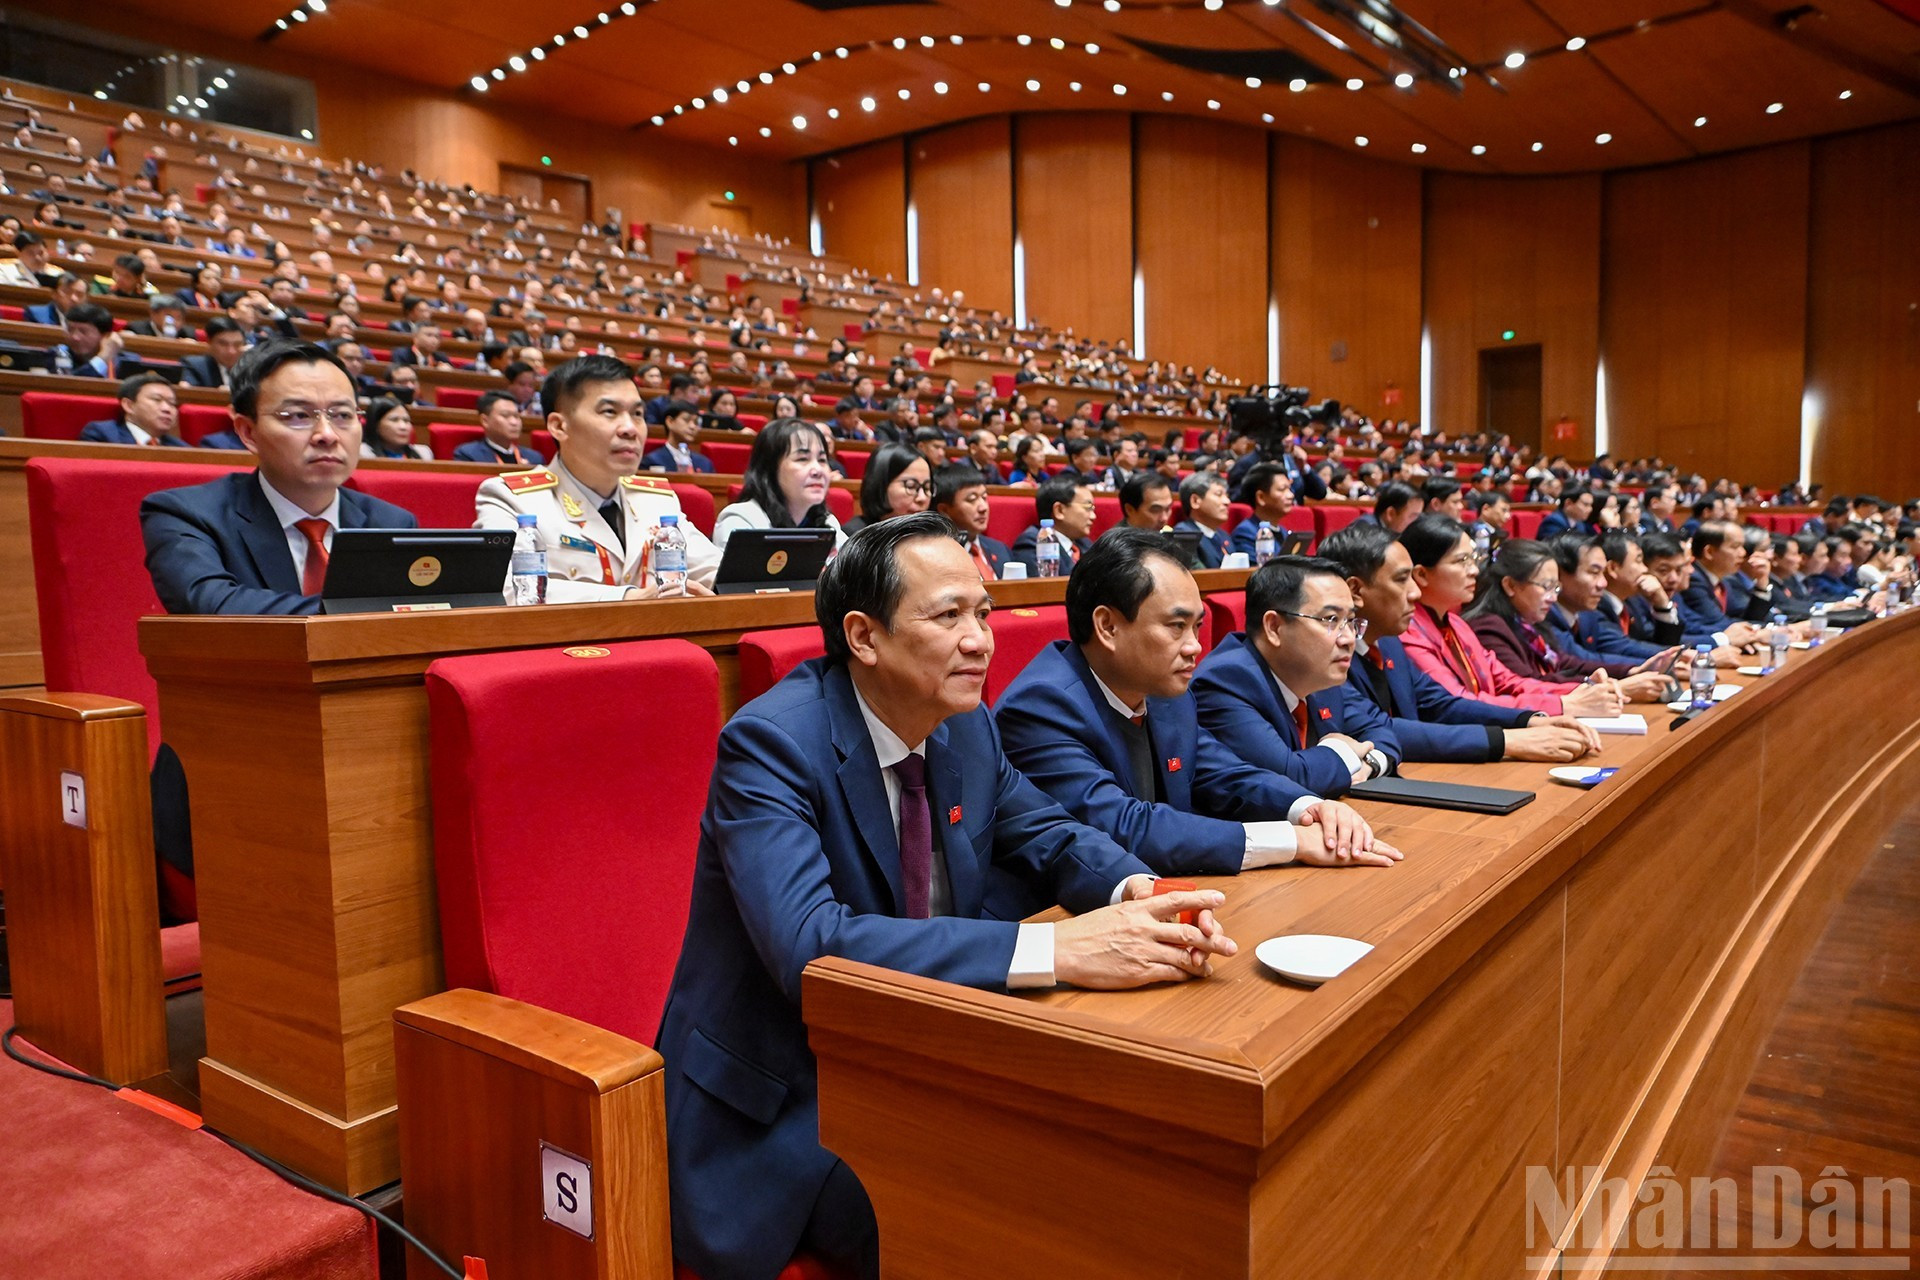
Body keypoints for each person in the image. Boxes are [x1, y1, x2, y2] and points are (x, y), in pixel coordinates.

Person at [657, 513, 1236, 1280]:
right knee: (1008, 1218)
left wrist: (1145, 890)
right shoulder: (770, 746)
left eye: (985, 613)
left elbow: (1052, 832)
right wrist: (1059, 949)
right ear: (863, 637)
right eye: (949, 616)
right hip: (793, 1103)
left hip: (927, 1049)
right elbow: (810, 949)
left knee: (1127, 1166)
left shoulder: (967, 728)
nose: (981, 641)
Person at [993, 529, 1395, 916]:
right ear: (1108, 626)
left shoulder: (1167, 694)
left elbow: (1225, 773)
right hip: (1069, 914)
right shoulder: (1041, 705)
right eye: (1176, 626)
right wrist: (1292, 841)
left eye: (1197, 626)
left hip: (1167, 892)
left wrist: (1309, 809)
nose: (1195, 646)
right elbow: (1122, 825)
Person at [139, 340, 419, 616]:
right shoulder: (187, 514)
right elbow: (214, 607)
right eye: (298, 415)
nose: (328, 434)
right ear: (249, 432)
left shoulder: (393, 525)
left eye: (343, 415)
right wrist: (379, 607)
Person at [1317, 522, 1599, 764]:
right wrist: (1509, 741)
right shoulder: (1325, 653)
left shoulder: (1389, 642)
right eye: (1403, 580)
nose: (1415, 592)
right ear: (1355, 590)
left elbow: (1440, 703)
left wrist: (1530, 720)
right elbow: (1379, 727)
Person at [474, 353, 720, 600]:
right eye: (610, 411)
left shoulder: (656, 500)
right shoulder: (512, 499)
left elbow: (715, 568)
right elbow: (508, 588)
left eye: (637, 414)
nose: (630, 429)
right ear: (559, 426)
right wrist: (629, 598)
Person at [1192, 555, 1402, 796]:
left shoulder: (1319, 675)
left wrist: (1371, 763)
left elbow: (1382, 730)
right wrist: (1342, 749)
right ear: (1274, 627)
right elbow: (1288, 778)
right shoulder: (1225, 681)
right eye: (1331, 620)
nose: (1347, 639)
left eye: (1351, 621)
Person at [1396, 515, 1624, 717]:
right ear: (1422, 574)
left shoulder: (1456, 623)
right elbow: (1459, 703)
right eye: (1461, 561)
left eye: (1473, 559)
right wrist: (1562, 704)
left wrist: (1581, 690)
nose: (1474, 569)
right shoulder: (1408, 633)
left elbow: (1507, 681)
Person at [1465, 539, 1675, 699]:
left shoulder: (1525, 621)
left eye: (1555, 587)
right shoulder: (1488, 628)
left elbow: (1563, 661)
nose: (1553, 597)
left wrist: (1632, 671)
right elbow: (1528, 683)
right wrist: (1607, 686)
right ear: (1510, 586)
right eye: (1546, 587)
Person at [712, 416, 845, 552]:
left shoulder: (829, 523)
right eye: (802, 459)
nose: (817, 470)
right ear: (770, 468)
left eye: (822, 460)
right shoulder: (741, 521)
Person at [931, 464, 1010, 579]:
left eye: (984, 497)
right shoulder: (936, 557)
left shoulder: (1000, 549)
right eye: (972, 500)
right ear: (944, 510)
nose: (983, 508)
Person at [1010, 472, 1096, 574]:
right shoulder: (1033, 544)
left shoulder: (1085, 543)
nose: (1093, 516)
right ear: (1059, 510)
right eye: (1087, 507)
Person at [78, 371, 189, 447]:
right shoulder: (102, 435)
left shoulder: (180, 447)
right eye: (156, 400)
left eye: (172, 403)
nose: (167, 409)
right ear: (129, 405)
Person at [841, 442, 931, 535]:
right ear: (881, 486)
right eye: (911, 486)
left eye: (927, 488)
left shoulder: (932, 536)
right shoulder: (855, 536)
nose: (922, 498)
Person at [451, 391, 544, 465]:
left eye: (516, 416)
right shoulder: (469, 455)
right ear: (485, 421)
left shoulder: (534, 458)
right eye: (505, 416)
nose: (514, 422)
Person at [51, 303, 136, 379]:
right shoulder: (59, 353)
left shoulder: (129, 361)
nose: (75, 337)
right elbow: (69, 385)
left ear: (105, 336)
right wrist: (103, 357)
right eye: (70, 330)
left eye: (83, 331)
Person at [1230, 462, 1297, 556]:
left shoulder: (1284, 532)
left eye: (1289, 489)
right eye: (1282, 489)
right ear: (1261, 497)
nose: (1291, 495)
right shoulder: (1245, 534)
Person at [1174, 473, 1233, 569]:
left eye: (1227, 495)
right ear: (1195, 501)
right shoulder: (1183, 535)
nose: (1227, 501)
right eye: (1219, 494)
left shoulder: (1224, 535)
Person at [641, 399, 714, 473]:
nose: (692, 426)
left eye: (695, 422)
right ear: (670, 421)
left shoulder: (705, 463)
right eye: (686, 420)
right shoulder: (652, 461)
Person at [181, 317, 248, 391]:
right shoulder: (194, 366)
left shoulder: (250, 368)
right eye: (223, 344)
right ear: (209, 343)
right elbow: (189, 393)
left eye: (237, 344)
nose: (231, 351)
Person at [360, 397, 432, 460]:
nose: (403, 427)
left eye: (406, 420)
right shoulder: (362, 453)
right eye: (394, 420)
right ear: (376, 425)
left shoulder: (424, 453)